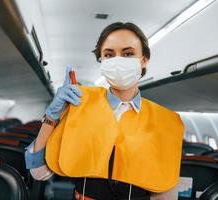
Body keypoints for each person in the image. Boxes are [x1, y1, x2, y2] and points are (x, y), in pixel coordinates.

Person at [25, 22, 183, 200]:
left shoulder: (163, 121)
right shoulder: (80, 106)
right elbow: (38, 172)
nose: (118, 61)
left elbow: (164, 192)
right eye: (109, 54)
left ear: (144, 60)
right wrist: (50, 117)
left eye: (128, 53)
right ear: (102, 61)